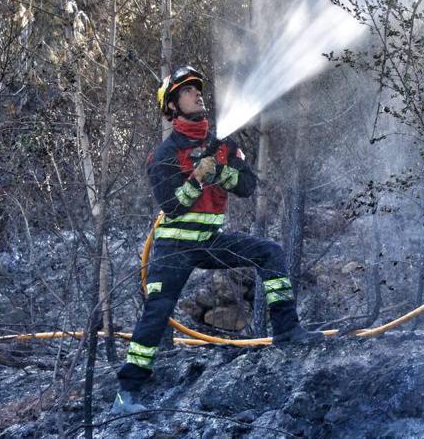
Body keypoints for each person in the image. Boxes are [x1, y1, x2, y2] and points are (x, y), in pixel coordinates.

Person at [112, 65, 321, 415]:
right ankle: (126, 394)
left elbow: (247, 186)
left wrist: (220, 171)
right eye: (187, 91)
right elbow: (172, 206)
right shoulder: (164, 155)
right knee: (157, 310)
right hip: (174, 246)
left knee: (270, 253)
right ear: (172, 106)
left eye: (197, 89)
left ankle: (287, 331)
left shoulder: (223, 145)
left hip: (210, 241)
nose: (197, 94)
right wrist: (196, 179)